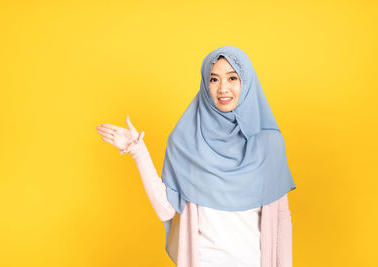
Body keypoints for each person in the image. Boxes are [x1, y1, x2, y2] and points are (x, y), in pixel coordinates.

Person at [96, 46, 297, 267]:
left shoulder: (270, 145)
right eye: (214, 79)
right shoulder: (185, 141)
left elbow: (280, 222)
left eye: (232, 78)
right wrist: (138, 151)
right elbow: (166, 210)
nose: (223, 89)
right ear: (205, 84)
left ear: (246, 82)